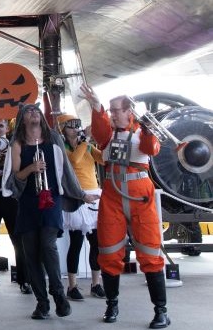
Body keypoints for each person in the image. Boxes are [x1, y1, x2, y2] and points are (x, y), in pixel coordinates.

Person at [81, 85, 170, 328]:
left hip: (141, 198)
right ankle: (112, 304)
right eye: (110, 111)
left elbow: (151, 149)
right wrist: (96, 106)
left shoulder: (143, 132)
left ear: (129, 111)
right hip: (112, 197)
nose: (112, 115)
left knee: (150, 254)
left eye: (115, 111)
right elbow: (99, 132)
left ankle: (161, 310)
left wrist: (150, 131)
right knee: (108, 253)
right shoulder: (108, 135)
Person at [5, 104, 94, 320]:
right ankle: (42, 303)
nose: (34, 113)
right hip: (28, 204)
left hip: (51, 200)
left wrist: (81, 194)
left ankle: (58, 294)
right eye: (28, 112)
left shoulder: (53, 138)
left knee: (48, 244)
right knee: (31, 255)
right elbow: (14, 176)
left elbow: (67, 172)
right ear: (22, 119)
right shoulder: (17, 143)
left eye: (36, 111)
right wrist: (31, 168)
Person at [57, 113, 105, 300]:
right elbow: (74, 160)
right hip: (77, 196)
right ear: (62, 129)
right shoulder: (63, 148)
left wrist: (106, 142)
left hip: (94, 195)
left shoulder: (87, 145)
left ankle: (96, 283)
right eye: (71, 126)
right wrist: (86, 140)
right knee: (75, 243)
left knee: (96, 243)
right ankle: (72, 285)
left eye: (77, 124)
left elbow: (103, 160)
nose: (76, 128)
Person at [0, 117, 31, 294]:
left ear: (5, 127)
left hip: (11, 197)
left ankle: (24, 280)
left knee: (17, 240)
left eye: (0, 125)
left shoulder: (14, 144)